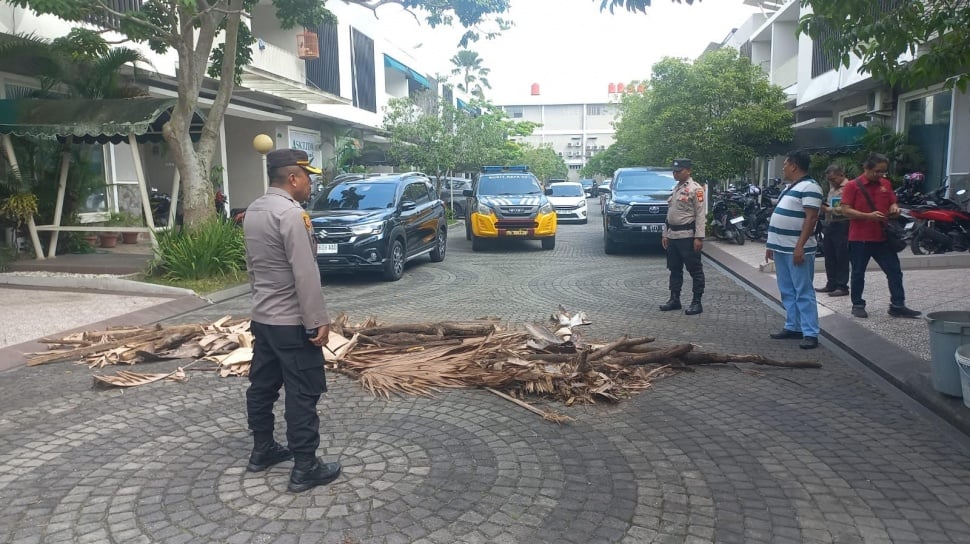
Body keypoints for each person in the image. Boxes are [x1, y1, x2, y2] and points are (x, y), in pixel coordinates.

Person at [243, 148, 342, 493]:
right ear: (293, 178)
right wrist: (318, 320)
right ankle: (305, 467)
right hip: (291, 323)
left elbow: (252, 268)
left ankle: (262, 449)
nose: (312, 184)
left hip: (264, 319)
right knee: (302, 392)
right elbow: (305, 273)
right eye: (309, 177)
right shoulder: (291, 214)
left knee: (262, 386)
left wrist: (259, 306)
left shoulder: (254, 210)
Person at [839, 152, 921, 319]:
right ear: (866, 168)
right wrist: (868, 216)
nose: (880, 175)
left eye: (883, 171)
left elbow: (892, 201)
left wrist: (894, 207)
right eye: (877, 171)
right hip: (860, 238)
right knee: (858, 273)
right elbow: (845, 209)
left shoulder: (885, 184)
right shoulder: (853, 186)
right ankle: (858, 304)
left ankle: (897, 305)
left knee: (894, 271)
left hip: (883, 237)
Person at [765, 151, 823, 349]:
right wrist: (771, 245)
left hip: (797, 250)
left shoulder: (811, 187)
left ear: (794, 166)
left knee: (803, 290)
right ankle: (793, 326)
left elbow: (811, 218)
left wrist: (800, 246)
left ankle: (810, 332)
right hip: (781, 247)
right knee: (787, 289)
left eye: (785, 164)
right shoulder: (791, 187)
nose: (783, 167)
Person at [660, 158, 706, 315]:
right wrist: (665, 234)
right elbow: (670, 214)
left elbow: (700, 215)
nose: (675, 174)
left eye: (679, 171)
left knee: (695, 270)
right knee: (674, 269)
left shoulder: (696, 189)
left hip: (687, 236)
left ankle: (697, 302)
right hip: (673, 235)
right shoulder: (676, 188)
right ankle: (674, 299)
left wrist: (699, 237)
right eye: (674, 171)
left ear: (688, 170)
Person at [815, 164, 850, 297]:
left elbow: (848, 206)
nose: (832, 182)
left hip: (843, 224)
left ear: (841, 175)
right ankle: (831, 284)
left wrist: (830, 209)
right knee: (829, 255)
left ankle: (842, 286)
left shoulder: (849, 187)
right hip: (830, 224)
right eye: (829, 179)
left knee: (841, 256)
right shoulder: (832, 188)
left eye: (834, 179)